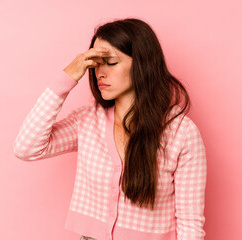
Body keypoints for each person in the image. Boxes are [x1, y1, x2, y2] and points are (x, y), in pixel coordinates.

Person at [13, 18, 207, 240]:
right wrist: (67, 77)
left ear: (142, 64)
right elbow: (26, 148)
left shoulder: (180, 132)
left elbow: (190, 224)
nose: (99, 73)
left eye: (111, 62)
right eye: (95, 64)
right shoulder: (87, 121)